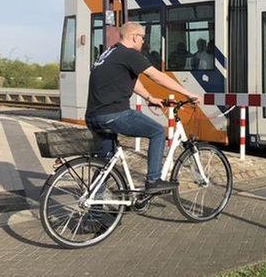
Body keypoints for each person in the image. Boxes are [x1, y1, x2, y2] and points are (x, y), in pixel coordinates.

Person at [85, 22, 201, 193]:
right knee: (158, 132)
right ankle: (153, 180)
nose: (143, 42)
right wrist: (187, 93)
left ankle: (94, 210)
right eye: (143, 38)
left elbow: (130, 81)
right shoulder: (129, 54)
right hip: (114, 114)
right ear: (134, 37)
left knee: (105, 164)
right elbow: (157, 77)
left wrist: (149, 97)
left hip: (94, 116)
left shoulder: (110, 53)